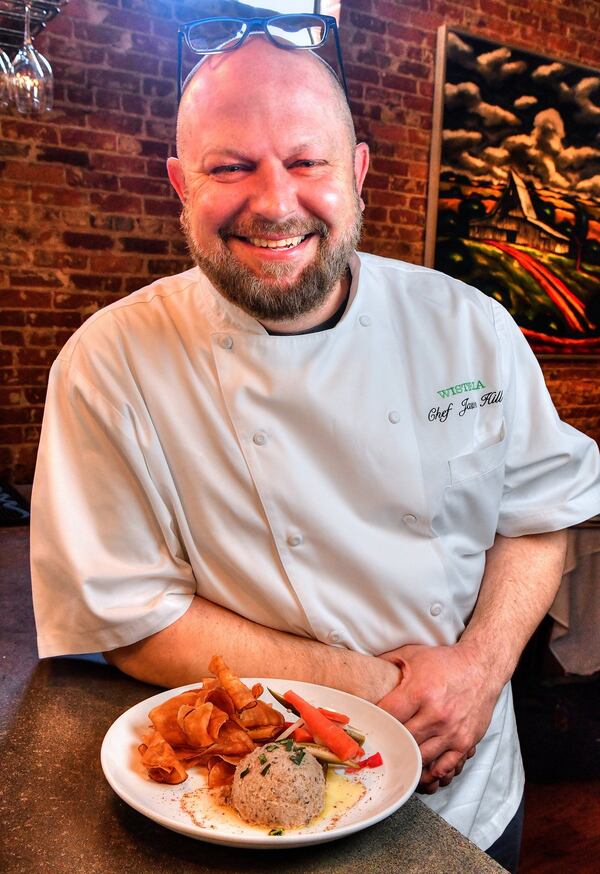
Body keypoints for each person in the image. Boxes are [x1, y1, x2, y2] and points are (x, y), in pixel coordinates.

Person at [30, 36, 599, 872]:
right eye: (230, 168)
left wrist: (478, 672)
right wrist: (377, 697)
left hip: (472, 785)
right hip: (250, 805)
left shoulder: (468, 323)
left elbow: (541, 514)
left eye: (306, 159)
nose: (275, 201)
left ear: (358, 169)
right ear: (180, 185)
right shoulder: (109, 361)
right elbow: (130, 616)